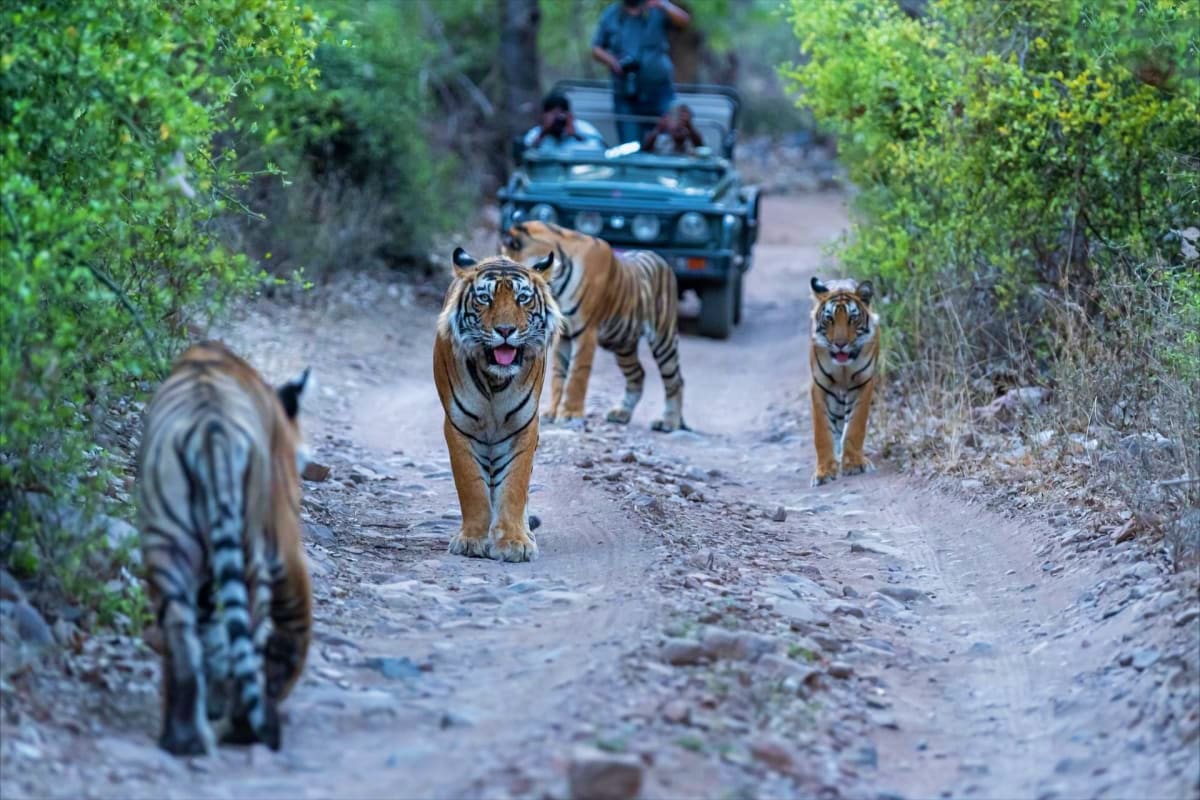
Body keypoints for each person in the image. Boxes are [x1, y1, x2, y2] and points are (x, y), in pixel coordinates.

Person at [591, 0, 691, 145]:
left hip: (660, 91)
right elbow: (596, 48)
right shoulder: (611, 14)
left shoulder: (657, 9)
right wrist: (613, 61)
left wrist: (662, 4)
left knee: (670, 140)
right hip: (626, 94)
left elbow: (684, 21)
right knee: (630, 147)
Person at [523, 91, 604, 152]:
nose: (557, 119)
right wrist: (543, 133)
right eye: (553, 115)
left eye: (561, 114)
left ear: (569, 114)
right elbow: (526, 155)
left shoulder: (584, 128)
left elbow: (599, 150)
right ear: (544, 115)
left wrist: (575, 134)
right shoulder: (535, 133)